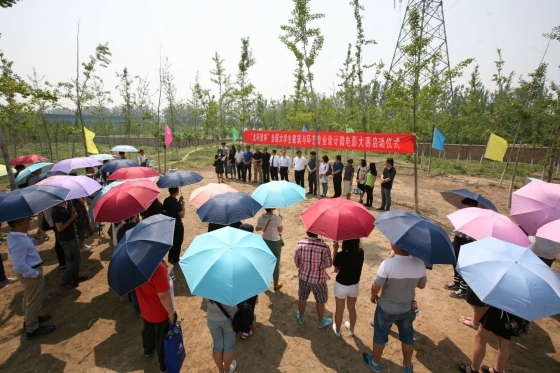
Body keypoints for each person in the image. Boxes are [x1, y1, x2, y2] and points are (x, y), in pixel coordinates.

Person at [362, 244, 427, 373]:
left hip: (386, 308)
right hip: (407, 308)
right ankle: (407, 366)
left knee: (380, 335)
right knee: (407, 337)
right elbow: (421, 285)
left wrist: (373, 297)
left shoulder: (388, 264)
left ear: (395, 246)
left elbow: (376, 286)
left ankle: (375, 363)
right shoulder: (420, 263)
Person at [7, 217, 56, 340]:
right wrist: (35, 274)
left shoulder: (18, 235)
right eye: (27, 220)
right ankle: (32, 328)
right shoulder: (19, 241)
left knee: (29, 298)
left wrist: (36, 239)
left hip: (30, 272)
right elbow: (19, 265)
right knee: (33, 301)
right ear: (19, 224)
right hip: (31, 273)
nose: (30, 221)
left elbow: (27, 249)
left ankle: (31, 318)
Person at [135, 260, 177, 373]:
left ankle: (148, 350)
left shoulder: (135, 263)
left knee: (148, 330)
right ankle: (164, 367)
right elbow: (163, 295)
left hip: (145, 307)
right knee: (162, 340)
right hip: (160, 312)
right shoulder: (157, 268)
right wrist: (171, 312)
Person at [458, 306, 517, 373]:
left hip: (500, 311)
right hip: (515, 315)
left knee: (480, 340)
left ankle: (473, 370)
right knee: (504, 344)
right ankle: (497, 371)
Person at [294, 231, 333, 328]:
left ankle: (301, 317)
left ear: (307, 232)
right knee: (320, 301)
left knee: (302, 297)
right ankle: (321, 321)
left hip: (303, 277)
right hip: (318, 280)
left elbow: (297, 261)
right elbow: (328, 264)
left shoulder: (300, 244)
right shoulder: (324, 247)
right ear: (318, 233)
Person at [445, 197, 478, 298]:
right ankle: (457, 282)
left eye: (464, 207)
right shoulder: (462, 215)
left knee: (463, 266)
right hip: (458, 240)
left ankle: (463, 289)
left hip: (466, 243)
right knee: (455, 262)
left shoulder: (476, 219)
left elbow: (473, 236)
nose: (461, 208)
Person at [52, 201, 88, 288]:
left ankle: (75, 277)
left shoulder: (63, 207)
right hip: (67, 238)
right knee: (76, 259)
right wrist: (72, 218)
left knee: (71, 259)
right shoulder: (57, 210)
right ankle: (65, 281)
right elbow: (60, 228)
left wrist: (71, 211)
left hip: (69, 236)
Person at [332, 239, 364, 338]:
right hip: (354, 285)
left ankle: (337, 331)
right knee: (352, 308)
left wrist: (335, 250)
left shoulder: (341, 255)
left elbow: (335, 265)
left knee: (339, 309)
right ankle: (351, 330)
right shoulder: (360, 252)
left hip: (341, 284)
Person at [255, 208, 284, 291]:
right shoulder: (277, 218)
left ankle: (264, 283)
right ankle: (276, 284)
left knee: (265, 262)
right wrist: (280, 221)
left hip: (265, 241)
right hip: (275, 242)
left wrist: (265, 227)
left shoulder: (260, 217)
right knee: (275, 263)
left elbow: (257, 229)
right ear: (272, 208)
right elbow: (280, 230)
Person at [206, 299, 238, 373]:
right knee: (229, 346)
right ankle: (227, 370)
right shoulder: (230, 286)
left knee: (217, 346)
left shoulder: (206, 287)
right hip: (229, 319)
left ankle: (220, 370)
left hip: (212, 319)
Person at [162, 188, 185, 264]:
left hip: (168, 224)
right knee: (178, 241)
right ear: (177, 191)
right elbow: (182, 215)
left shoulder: (166, 201)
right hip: (177, 225)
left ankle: (170, 256)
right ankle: (175, 259)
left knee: (171, 241)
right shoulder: (177, 204)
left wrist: (179, 202)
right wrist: (182, 206)